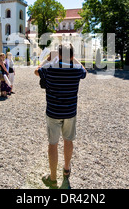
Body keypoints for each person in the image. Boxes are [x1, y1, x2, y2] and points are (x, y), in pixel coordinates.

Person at [34, 44, 87, 189]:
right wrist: (73, 59)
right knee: (68, 141)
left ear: (59, 55)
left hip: (53, 112)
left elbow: (36, 70)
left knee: (53, 144)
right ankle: (66, 169)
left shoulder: (50, 70)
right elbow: (84, 71)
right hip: (70, 112)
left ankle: (52, 178)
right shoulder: (76, 71)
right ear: (71, 56)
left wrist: (48, 59)